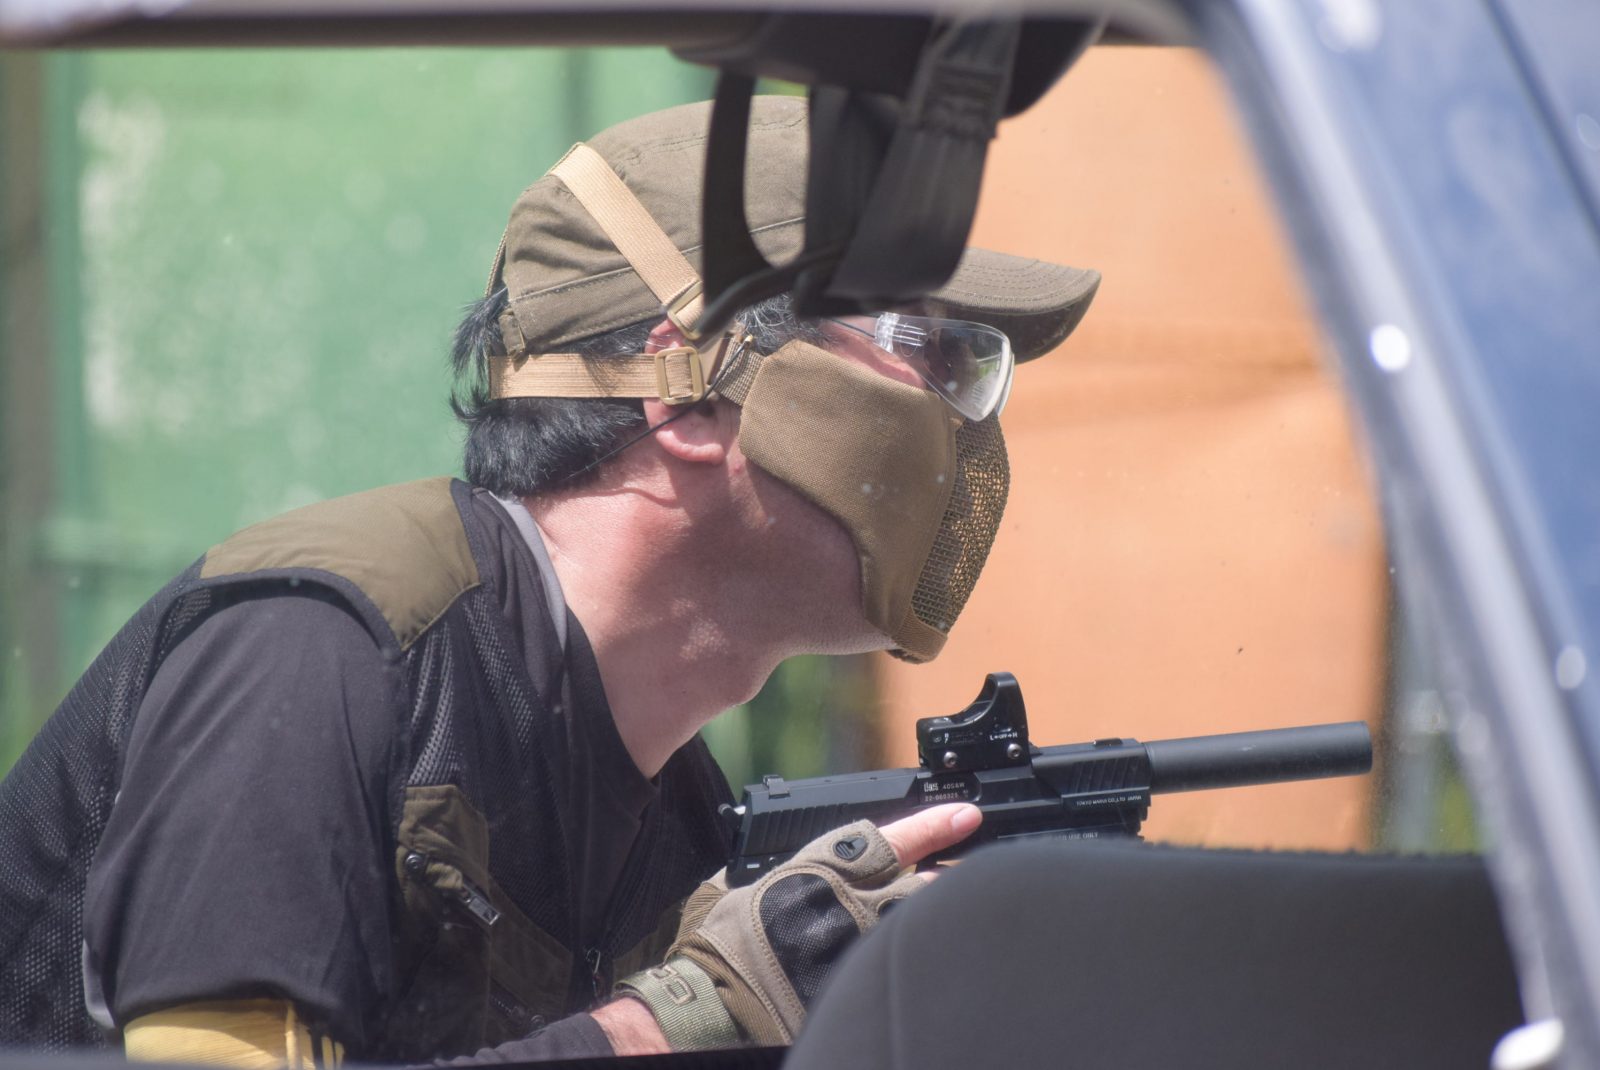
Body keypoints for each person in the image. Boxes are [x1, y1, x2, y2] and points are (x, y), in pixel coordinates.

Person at [0, 95, 1097, 1063]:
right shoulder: (316, 655)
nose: (959, 417)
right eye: (922, 347)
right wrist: (692, 1014)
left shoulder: (679, 815)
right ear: (689, 388)